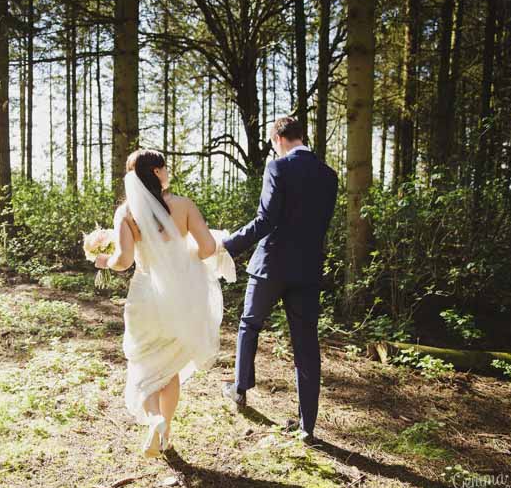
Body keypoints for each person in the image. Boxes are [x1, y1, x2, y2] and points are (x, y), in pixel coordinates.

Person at [94, 149, 234, 457]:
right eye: (165, 167)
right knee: (169, 368)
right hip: (182, 297)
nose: (168, 172)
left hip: (145, 296)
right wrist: (183, 262)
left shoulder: (127, 213)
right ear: (157, 172)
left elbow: (125, 260)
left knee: (144, 366)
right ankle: (165, 430)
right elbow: (208, 247)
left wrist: (103, 260)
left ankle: (154, 420)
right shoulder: (183, 205)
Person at [221, 116, 338, 444]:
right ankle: (307, 426)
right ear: (301, 136)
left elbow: (265, 221)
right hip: (308, 270)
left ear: (277, 138)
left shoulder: (278, 168)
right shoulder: (329, 176)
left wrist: (227, 246)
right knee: (306, 346)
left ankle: (240, 390)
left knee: (249, 324)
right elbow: (319, 225)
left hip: (271, 266)